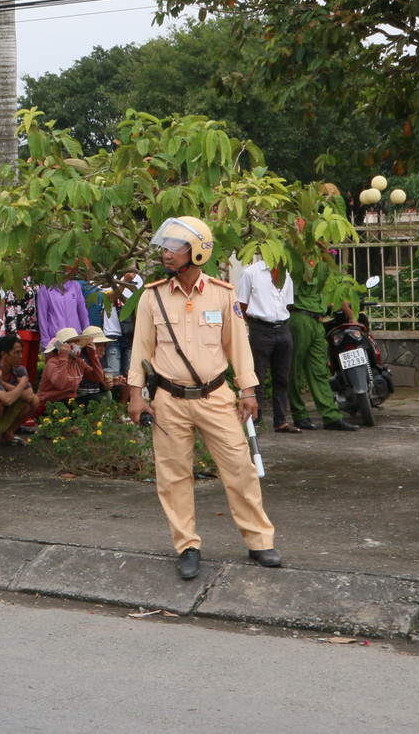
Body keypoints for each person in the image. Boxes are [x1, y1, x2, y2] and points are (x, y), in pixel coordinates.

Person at [127, 215, 280, 580]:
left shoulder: (222, 294)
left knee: (240, 469)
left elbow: (238, 346)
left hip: (216, 396)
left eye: (174, 246)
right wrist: (136, 396)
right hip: (168, 399)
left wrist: (249, 390)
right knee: (174, 477)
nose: (166, 253)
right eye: (165, 246)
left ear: (197, 252)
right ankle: (187, 546)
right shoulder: (152, 297)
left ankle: (260, 540)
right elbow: (140, 350)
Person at [237, 256, 298, 433]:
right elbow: (241, 304)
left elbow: (288, 303)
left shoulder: (286, 274)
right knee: (257, 377)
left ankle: (281, 420)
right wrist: (257, 322)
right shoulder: (251, 273)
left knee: (282, 377)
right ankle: (256, 420)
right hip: (260, 329)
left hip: (283, 328)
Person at [287, 269, 352, 431]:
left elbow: (335, 291)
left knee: (319, 370)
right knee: (294, 370)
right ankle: (299, 415)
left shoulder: (322, 264)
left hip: (318, 321)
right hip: (300, 318)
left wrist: (351, 314)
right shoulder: (297, 261)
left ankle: (331, 416)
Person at [36, 328, 95, 407]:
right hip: (49, 403)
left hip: (68, 401)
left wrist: (93, 356)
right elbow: (60, 385)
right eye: (74, 342)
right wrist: (63, 357)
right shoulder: (52, 362)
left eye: (78, 342)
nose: (77, 345)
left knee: (94, 400)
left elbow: (97, 378)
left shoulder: (78, 362)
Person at [35, 270, 90, 354]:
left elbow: (83, 312)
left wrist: (87, 334)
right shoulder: (45, 289)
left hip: (74, 338)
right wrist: (46, 343)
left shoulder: (75, 286)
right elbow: (42, 319)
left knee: (74, 364)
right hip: (56, 340)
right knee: (58, 364)